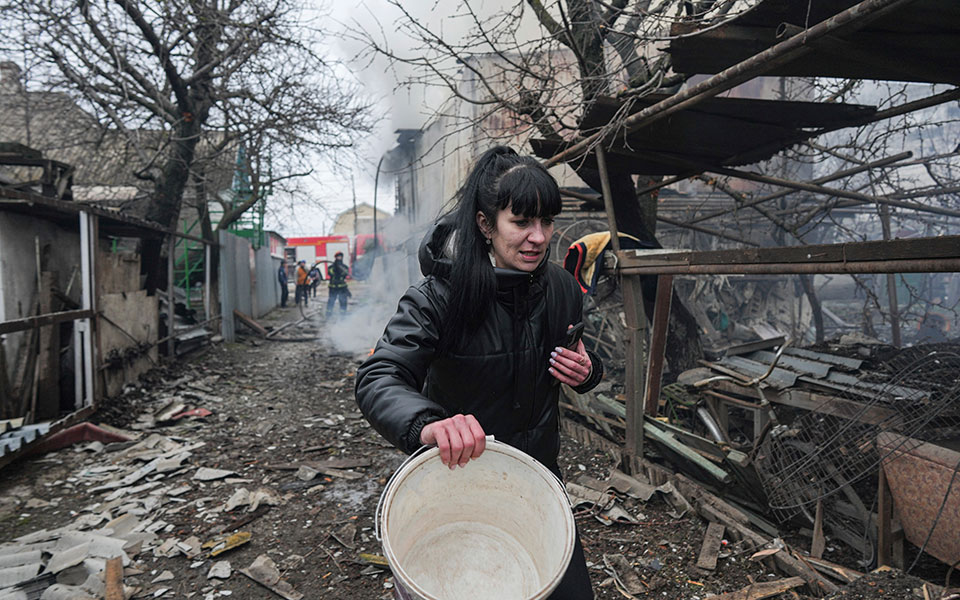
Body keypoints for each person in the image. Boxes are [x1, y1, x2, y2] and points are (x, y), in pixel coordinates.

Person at [355, 146, 603, 599]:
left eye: (546, 221)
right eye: (522, 222)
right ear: (486, 224)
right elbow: (379, 377)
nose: (538, 237)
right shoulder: (438, 296)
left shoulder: (563, 289)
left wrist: (587, 371)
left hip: (539, 487)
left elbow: (581, 360)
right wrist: (430, 424)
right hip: (456, 487)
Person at [326, 251, 350, 317]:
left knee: (343, 302)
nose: (339, 258)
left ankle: (343, 316)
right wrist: (336, 268)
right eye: (338, 257)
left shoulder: (345, 267)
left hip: (342, 288)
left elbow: (345, 274)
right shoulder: (331, 267)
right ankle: (328, 315)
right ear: (335, 258)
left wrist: (341, 269)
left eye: (340, 257)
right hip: (333, 288)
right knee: (331, 301)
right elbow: (331, 273)